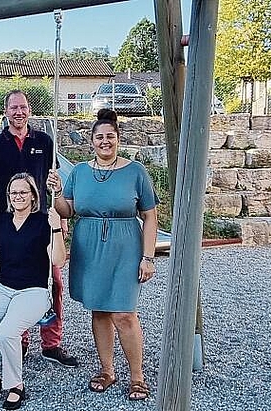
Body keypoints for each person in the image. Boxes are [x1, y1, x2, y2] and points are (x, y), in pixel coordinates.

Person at [47, 109, 159, 401]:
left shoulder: (135, 171)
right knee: (99, 309)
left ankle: (137, 376)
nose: (105, 141)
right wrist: (57, 193)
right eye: (99, 137)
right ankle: (107, 370)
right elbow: (67, 211)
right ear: (92, 141)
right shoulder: (80, 172)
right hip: (89, 246)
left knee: (124, 313)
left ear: (118, 139)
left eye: (110, 136)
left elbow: (150, 215)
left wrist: (148, 256)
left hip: (125, 247)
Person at [0, 89, 78, 367]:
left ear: (29, 110)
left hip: (41, 221)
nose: (18, 112)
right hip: (9, 224)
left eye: (23, 107)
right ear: (6, 112)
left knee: (54, 283)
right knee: (15, 283)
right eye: (13, 108)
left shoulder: (45, 141)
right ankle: (19, 339)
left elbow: (52, 181)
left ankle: (51, 343)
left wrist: (60, 219)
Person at [0, 173, 67, 410]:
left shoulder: (44, 221)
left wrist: (56, 229)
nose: (18, 196)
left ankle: (15, 385)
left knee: (6, 333)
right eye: (14, 193)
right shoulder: (3, 221)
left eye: (24, 192)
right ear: (8, 196)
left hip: (34, 290)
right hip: (2, 286)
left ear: (34, 196)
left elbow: (59, 260)